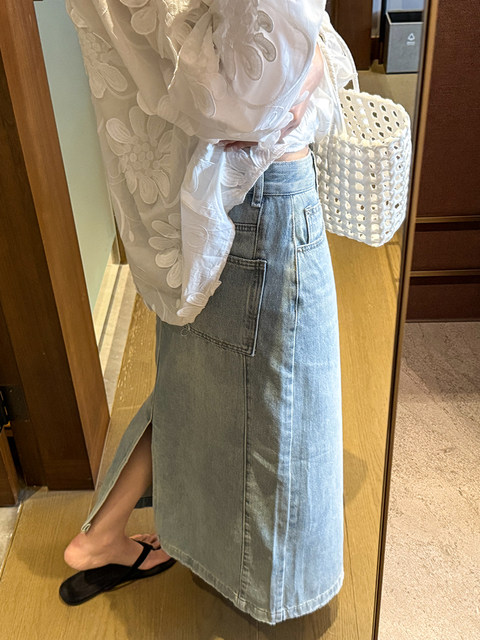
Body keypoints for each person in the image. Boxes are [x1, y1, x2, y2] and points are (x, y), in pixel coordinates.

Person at [60, 0, 356, 625]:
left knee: (196, 382)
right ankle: (257, 594)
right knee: (282, 405)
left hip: (184, 193)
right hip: (253, 188)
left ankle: (103, 534)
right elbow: (257, 104)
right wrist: (314, 66)